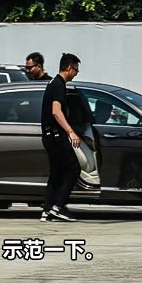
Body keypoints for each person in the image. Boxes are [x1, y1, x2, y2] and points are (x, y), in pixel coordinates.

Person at [40, 53, 81, 222]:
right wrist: (70, 131)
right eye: (76, 70)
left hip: (49, 136)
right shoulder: (58, 85)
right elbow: (56, 111)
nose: (76, 73)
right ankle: (58, 206)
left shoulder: (54, 83)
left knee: (56, 173)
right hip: (56, 136)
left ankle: (47, 210)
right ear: (69, 68)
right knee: (74, 168)